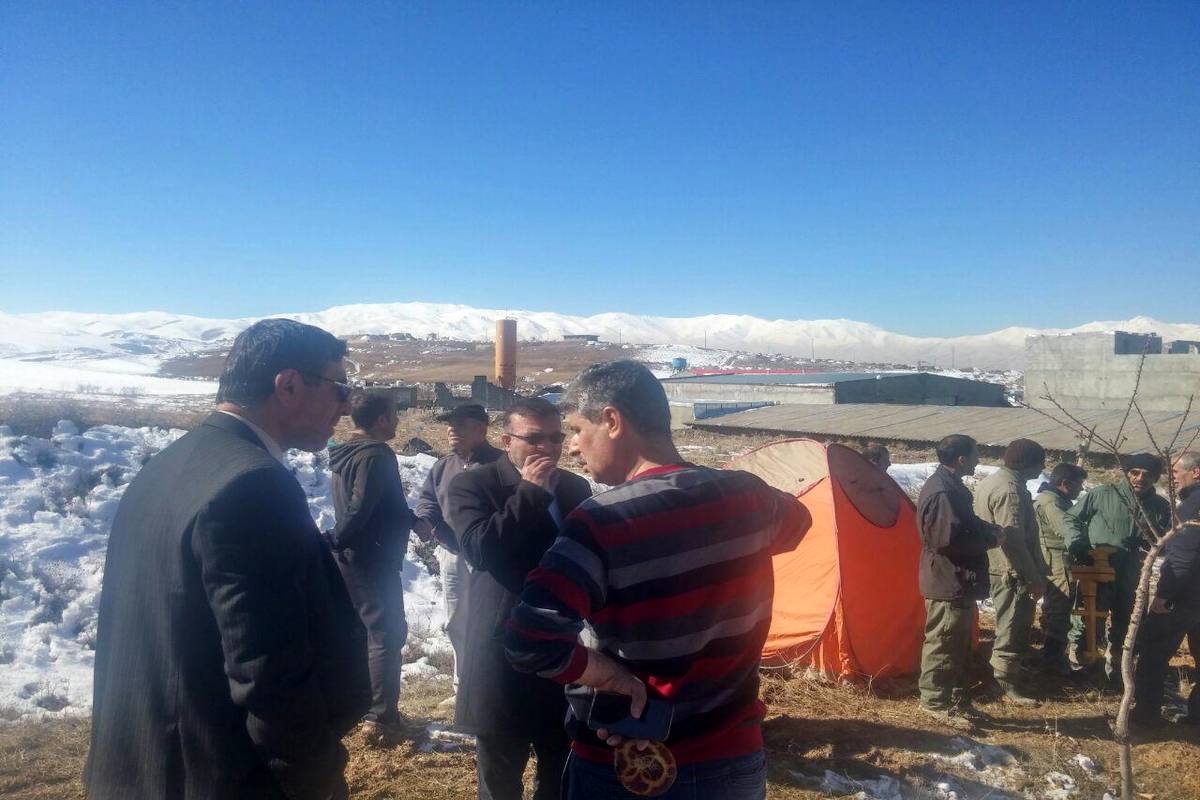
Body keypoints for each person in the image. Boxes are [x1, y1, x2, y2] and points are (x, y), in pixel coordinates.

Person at [86, 319, 370, 800]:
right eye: (339, 388)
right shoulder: (253, 484)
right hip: (216, 774)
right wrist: (314, 779)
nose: (346, 406)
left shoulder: (171, 464)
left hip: (141, 766)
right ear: (289, 385)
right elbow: (269, 672)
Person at [505, 361, 812, 800]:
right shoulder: (750, 497)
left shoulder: (601, 522)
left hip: (625, 769)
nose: (570, 448)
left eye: (575, 430)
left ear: (612, 421)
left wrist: (611, 677)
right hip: (734, 760)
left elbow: (529, 639)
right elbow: (800, 521)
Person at [445, 397, 592, 800]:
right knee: (500, 774)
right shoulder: (473, 485)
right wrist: (529, 493)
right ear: (507, 440)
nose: (547, 447)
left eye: (555, 438)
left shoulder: (575, 487)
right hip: (501, 646)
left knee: (558, 770)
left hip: (561, 644)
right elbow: (481, 550)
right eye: (534, 439)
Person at [327, 391, 414, 729]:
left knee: (371, 630)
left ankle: (365, 706)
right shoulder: (376, 454)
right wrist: (336, 539)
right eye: (394, 415)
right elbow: (361, 507)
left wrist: (412, 520)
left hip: (357, 555)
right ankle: (381, 717)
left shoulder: (347, 451)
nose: (397, 421)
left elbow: (383, 502)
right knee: (386, 632)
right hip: (371, 557)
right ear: (381, 420)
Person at [412, 403, 504, 707]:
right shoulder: (443, 467)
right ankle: (462, 687)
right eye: (450, 424)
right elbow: (428, 500)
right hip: (451, 554)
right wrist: (427, 521)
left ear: (481, 429)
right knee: (457, 621)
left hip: (490, 560)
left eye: (460, 424)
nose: (451, 429)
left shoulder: (501, 466)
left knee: (491, 621)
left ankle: (492, 686)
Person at [916, 434, 1008, 728]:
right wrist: (990, 540)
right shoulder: (943, 492)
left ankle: (955, 699)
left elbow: (964, 524)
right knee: (943, 643)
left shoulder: (952, 487)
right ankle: (934, 703)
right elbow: (948, 540)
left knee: (957, 645)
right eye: (976, 454)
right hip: (947, 580)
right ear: (961, 459)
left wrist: (989, 529)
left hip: (957, 581)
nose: (979, 460)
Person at [1064, 453, 1172, 684]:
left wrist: (1148, 544)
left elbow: (1167, 540)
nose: (1140, 478)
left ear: (1155, 478)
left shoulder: (1160, 506)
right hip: (1099, 566)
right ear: (1127, 473)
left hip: (1133, 574)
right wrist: (1078, 543)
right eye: (1135, 472)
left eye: (1147, 474)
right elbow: (1072, 518)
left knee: (1129, 623)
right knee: (1089, 620)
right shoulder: (1103, 494)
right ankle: (1081, 669)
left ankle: (1117, 673)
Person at [974, 439, 1048, 705]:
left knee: (1009, 624)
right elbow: (1013, 539)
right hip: (1011, 572)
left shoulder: (995, 481)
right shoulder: (1010, 489)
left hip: (1000, 566)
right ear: (1027, 463)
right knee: (1013, 627)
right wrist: (1032, 576)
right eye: (1040, 463)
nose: (1042, 469)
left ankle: (1003, 674)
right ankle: (1004, 683)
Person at [1132, 451, 1200, 726]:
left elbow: (1183, 559)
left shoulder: (1191, 508)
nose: (1172, 478)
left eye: (1176, 472)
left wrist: (1163, 597)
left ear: (1195, 472)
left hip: (1183, 598)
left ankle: (1145, 716)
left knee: (1152, 653)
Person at [1033, 462, 1088, 675]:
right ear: (1065, 484)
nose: (1080, 490)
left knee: (1053, 608)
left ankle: (1050, 656)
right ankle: (1052, 660)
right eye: (1078, 485)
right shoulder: (1053, 503)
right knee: (1060, 611)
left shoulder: (1050, 499)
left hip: (1052, 560)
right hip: (1058, 563)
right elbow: (1068, 532)